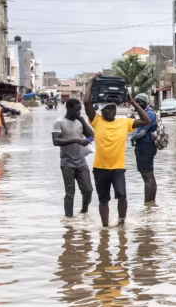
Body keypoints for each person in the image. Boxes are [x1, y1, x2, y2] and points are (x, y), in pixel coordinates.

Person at [83, 83, 150, 227]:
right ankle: (105, 228)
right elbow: (86, 102)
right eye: (107, 109)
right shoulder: (96, 121)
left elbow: (146, 120)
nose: (111, 111)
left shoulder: (124, 122)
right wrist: (92, 81)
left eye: (113, 108)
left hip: (118, 168)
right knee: (103, 200)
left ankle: (121, 223)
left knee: (122, 196)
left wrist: (133, 103)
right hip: (100, 168)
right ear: (102, 111)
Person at [52, 98, 95, 219]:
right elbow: (55, 141)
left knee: (88, 190)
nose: (79, 112)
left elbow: (92, 137)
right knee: (70, 192)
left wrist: (83, 121)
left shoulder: (80, 121)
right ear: (68, 108)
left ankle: (84, 211)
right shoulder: (59, 122)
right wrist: (76, 140)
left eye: (80, 110)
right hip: (67, 162)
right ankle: (69, 219)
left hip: (81, 162)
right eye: (76, 110)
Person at [130, 93, 158, 204]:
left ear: (146, 102)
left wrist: (132, 138)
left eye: (140, 102)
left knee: (147, 176)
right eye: (136, 102)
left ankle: (147, 203)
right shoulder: (148, 113)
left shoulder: (149, 114)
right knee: (150, 175)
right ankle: (151, 203)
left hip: (145, 147)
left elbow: (141, 133)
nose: (137, 104)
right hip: (147, 146)